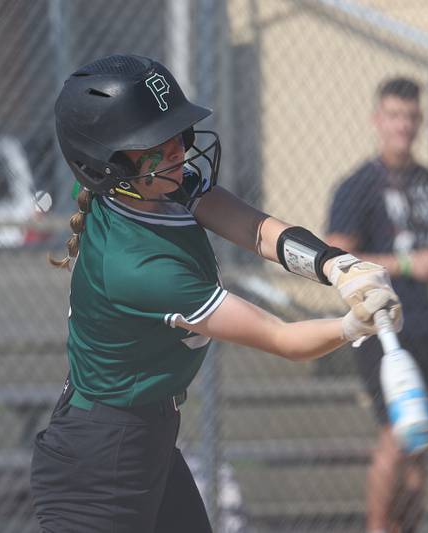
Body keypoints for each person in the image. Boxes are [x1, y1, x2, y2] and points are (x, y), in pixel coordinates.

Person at [29, 54, 403, 533]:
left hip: (143, 439)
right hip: (100, 465)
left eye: (178, 136)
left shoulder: (157, 189)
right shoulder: (140, 268)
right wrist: (353, 325)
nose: (179, 153)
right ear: (107, 167)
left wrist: (338, 266)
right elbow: (282, 339)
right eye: (156, 145)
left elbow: (256, 231)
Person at [326, 77, 428, 533]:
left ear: (420, 120)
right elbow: (336, 255)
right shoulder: (357, 186)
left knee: (420, 440)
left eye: (410, 116)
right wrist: (407, 264)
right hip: (388, 329)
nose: (403, 126)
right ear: (378, 120)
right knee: (395, 434)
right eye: (394, 115)